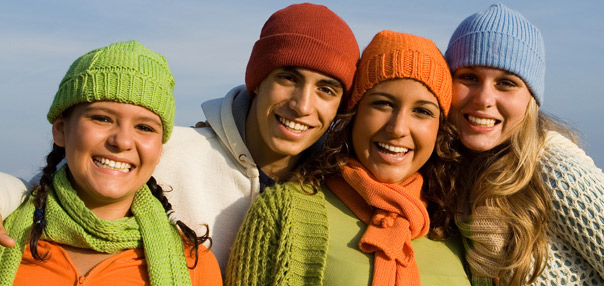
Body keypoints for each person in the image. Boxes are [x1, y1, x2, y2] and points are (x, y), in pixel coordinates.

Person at [0, 3, 360, 272]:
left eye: (326, 90)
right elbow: (48, 184)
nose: (302, 105)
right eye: (288, 78)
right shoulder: (165, 150)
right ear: (257, 80)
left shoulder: (335, 185)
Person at [226, 30, 470, 285]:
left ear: (440, 130)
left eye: (422, 111)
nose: (398, 128)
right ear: (353, 115)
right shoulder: (282, 211)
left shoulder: (455, 225)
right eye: (383, 104)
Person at [0, 41, 221, 285]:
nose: (123, 140)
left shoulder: (194, 266)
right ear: (61, 130)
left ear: (159, 150)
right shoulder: (6, 234)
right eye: (102, 118)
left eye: (144, 127)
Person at [433, 3, 604, 285]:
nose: (484, 98)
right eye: (469, 77)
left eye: (506, 83)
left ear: (530, 99)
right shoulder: (447, 175)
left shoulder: (555, 171)